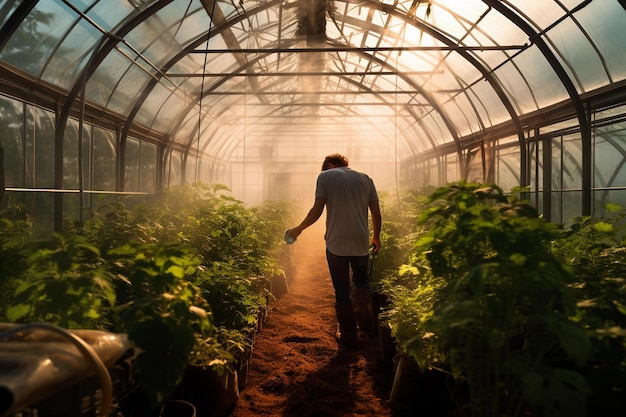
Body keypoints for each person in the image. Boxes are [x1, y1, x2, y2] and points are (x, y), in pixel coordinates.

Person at [286, 153, 382, 345]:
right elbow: (376, 213)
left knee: (341, 288)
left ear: (329, 165)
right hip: (360, 241)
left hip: (336, 243)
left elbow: (317, 210)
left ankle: (348, 333)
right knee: (361, 280)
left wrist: (298, 229)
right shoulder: (366, 178)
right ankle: (360, 308)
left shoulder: (325, 176)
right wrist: (376, 236)